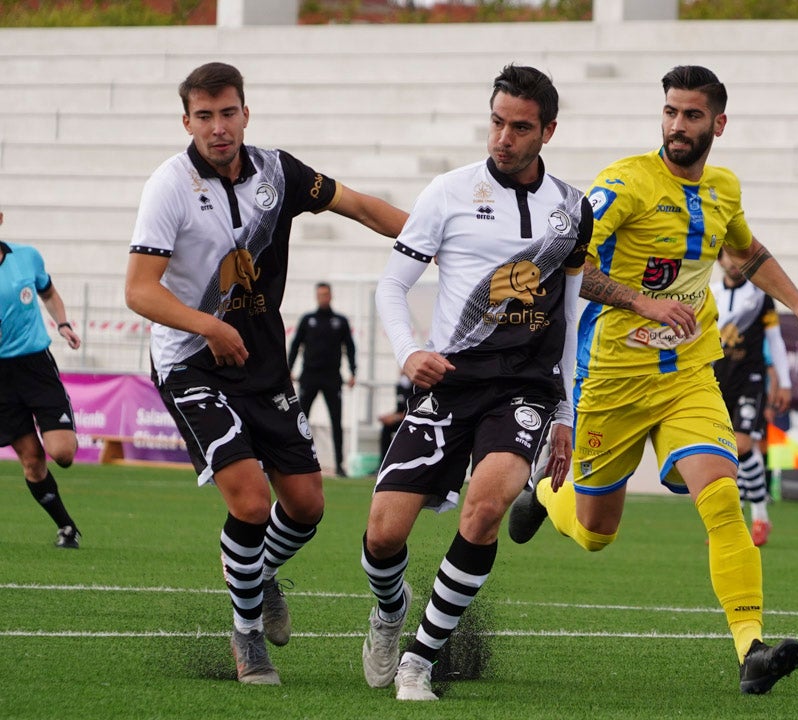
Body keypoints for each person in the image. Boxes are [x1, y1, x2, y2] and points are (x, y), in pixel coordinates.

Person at [508, 65, 798, 695]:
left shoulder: (723, 188)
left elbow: (744, 253)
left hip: (687, 374)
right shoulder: (625, 183)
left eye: (690, 115)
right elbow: (566, 264)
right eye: (669, 113)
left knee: (722, 496)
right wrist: (643, 302)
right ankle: (547, 497)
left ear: (718, 123)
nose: (677, 126)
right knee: (598, 534)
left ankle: (751, 648)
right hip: (609, 378)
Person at [124, 62, 407, 685]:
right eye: (204, 116)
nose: (218, 128)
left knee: (305, 506)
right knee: (252, 503)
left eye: (228, 113)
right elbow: (140, 292)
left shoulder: (277, 172)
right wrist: (209, 327)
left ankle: (260, 574)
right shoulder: (168, 186)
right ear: (187, 121)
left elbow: (356, 205)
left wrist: (438, 241)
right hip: (190, 361)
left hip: (262, 363)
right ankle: (247, 636)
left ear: (245, 113)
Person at [359, 63, 590, 702]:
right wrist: (409, 353)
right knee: (384, 534)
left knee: (486, 508)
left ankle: (419, 661)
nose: (503, 138)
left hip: (524, 390)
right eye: (496, 122)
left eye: (520, 127)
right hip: (449, 381)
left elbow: (570, 314)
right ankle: (388, 612)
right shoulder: (447, 192)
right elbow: (391, 286)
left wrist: (567, 411)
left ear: (547, 131)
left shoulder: (574, 209)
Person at [0, 210, 84, 549]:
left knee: (63, 454)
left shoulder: (27, 257)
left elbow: (48, 293)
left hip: (36, 367)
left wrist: (62, 323)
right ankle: (67, 528)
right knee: (32, 461)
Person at [710, 247, 793, 547]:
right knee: (721, 455)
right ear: (719, 261)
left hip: (750, 381)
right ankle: (733, 522)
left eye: (737, 257)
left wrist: (784, 383)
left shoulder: (760, 297)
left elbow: (775, 341)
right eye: (727, 257)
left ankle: (761, 518)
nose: (733, 263)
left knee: (743, 446)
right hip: (716, 381)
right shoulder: (710, 293)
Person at [287, 282, 357, 477]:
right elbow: (295, 345)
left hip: (332, 377)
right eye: (320, 294)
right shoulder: (308, 320)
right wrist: (289, 369)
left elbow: (350, 348)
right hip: (309, 376)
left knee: (336, 421)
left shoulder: (340, 321)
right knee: (301, 420)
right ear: (316, 296)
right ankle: (297, 460)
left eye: (326, 294)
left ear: (331, 296)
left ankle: (339, 465)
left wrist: (353, 372)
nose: (323, 298)